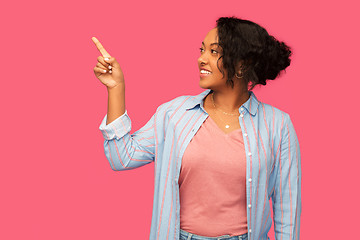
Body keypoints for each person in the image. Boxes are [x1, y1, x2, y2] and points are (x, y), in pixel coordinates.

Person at [93, 16, 301, 240]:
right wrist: (116, 89)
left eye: (214, 52)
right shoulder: (174, 114)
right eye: (202, 50)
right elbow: (121, 157)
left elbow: (287, 207)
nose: (201, 59)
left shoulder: (277, 125)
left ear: (242, 64)